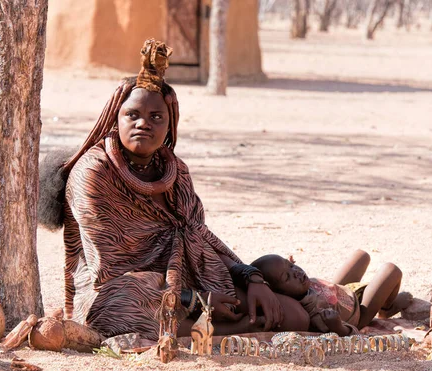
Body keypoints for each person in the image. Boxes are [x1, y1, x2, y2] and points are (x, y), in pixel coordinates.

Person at [38, 39, 309, 341]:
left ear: (170, 126)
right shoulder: (93, 172)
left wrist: (252, 277)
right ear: (116, 117)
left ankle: (210, 327)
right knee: (123, 304)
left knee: (289, 311)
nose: (143, 124)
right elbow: (112, 268)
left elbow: (200, 238)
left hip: (194, 278)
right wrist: (195, 300)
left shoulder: (175, 171)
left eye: (156, 117)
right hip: (126, 293)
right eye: (133, 115)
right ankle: (212, 330)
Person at [250, 250, 413, 336]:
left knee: (361, 256)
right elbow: (346, 334)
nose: (296, 272)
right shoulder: (311, 313)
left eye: (291, 265)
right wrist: (336, 326)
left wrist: (286, 268)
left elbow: (284, 274)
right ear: (279, 293)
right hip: (357, 313)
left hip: (338, 291)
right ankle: (386, 307)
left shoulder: (300, 287)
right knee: (391, 270)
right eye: (287, 276)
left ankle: (381, 300)